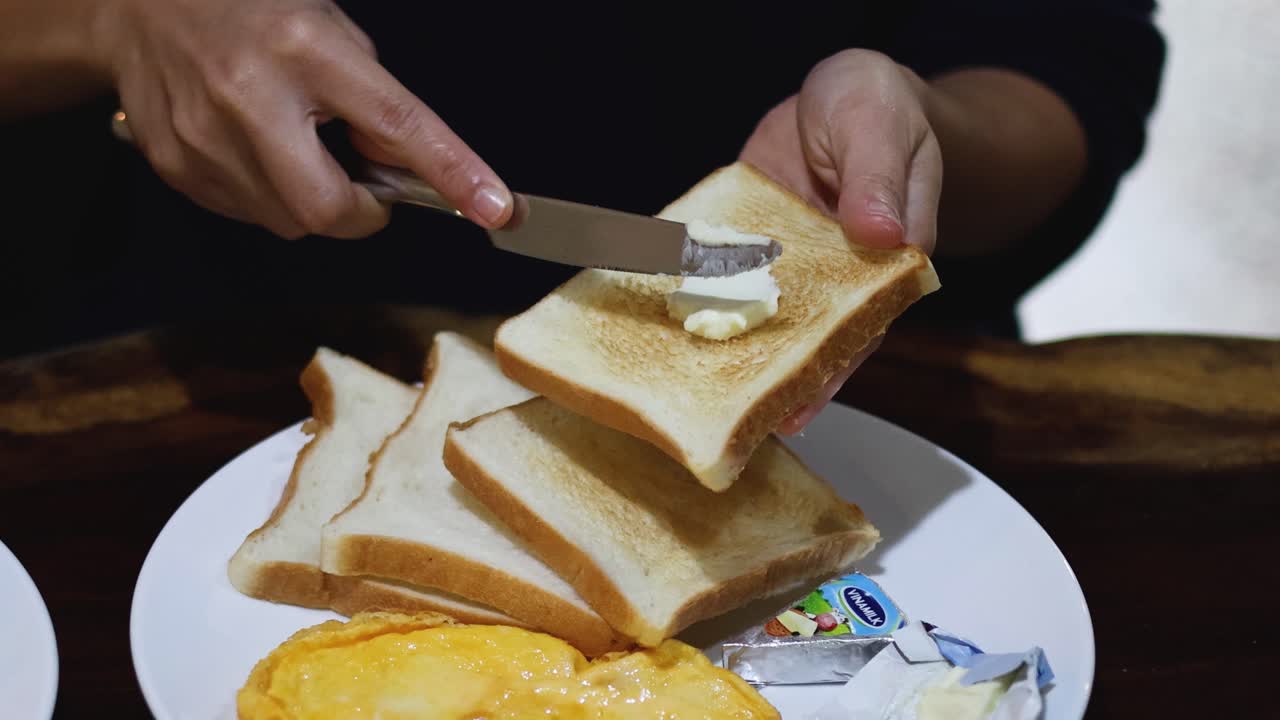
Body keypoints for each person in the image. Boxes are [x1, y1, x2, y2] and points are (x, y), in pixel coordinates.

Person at [0, 1, 1165, 431]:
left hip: (843, 408)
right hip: (166, 363)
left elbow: (1064, 70)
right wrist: (114, 22)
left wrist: (919, 126)